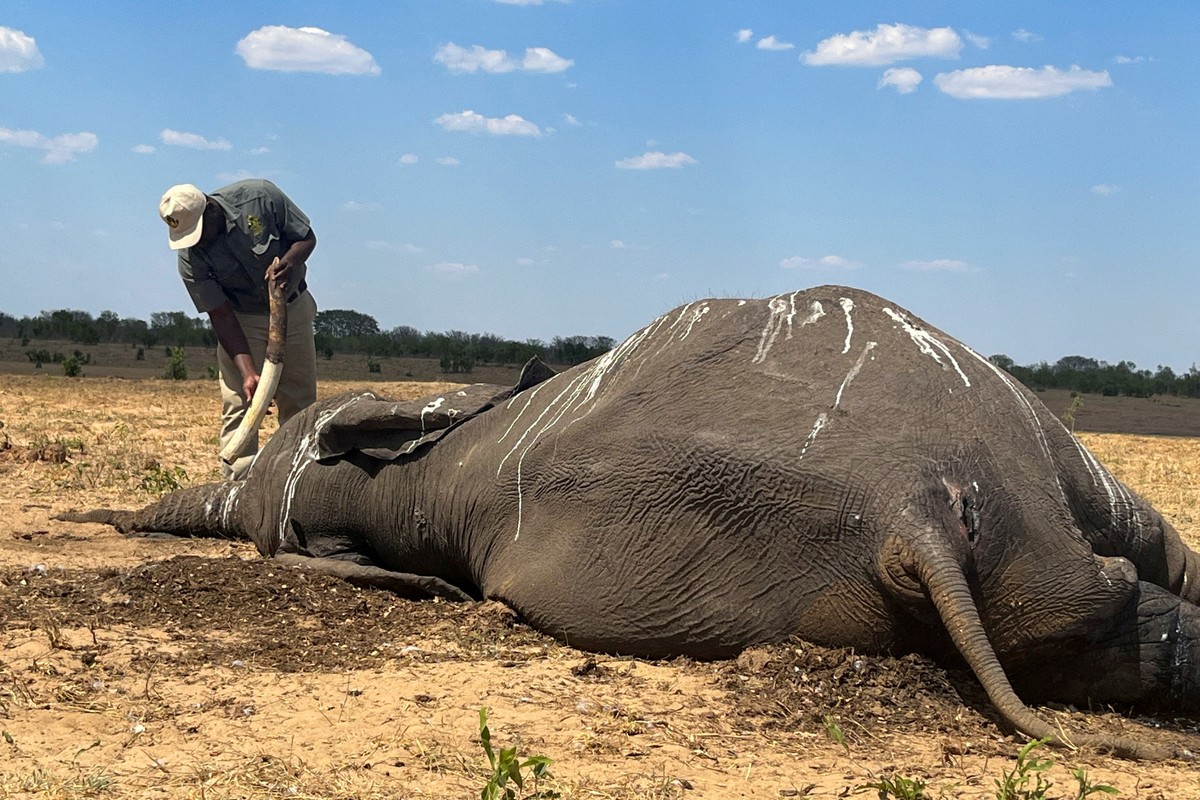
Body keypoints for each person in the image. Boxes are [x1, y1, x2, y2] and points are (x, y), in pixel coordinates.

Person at [158, 179, 319, 480]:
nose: (196, 243)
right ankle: (238, 485)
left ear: (212, 210)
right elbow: (220, 315)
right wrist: (247, 371)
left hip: (292, 308)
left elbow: (306, 238)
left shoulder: (259, 197)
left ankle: (300, 479)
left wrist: (289, 263)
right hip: (241, 319)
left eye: (197, 233)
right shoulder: (190, 258)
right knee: (240, 403)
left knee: (300, 401)